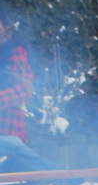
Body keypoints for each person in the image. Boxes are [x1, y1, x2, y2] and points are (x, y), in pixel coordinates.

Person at [0, 11, 59, 175]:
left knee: (23, 162)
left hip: (8, 130)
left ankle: (72, 181)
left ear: (6, 28)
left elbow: (24, 89)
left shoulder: (15, 53)